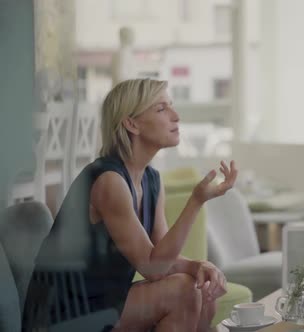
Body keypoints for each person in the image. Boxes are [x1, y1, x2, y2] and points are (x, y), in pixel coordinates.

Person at [24, 78, 237, 331]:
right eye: (161, 109)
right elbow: (154, 267)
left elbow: (163, 256)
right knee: (184, 291)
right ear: (131, 123)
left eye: (171, 106)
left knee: (202, 291)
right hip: (60, 315)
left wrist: (199, 266)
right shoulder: (109, 182)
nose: (175, 116)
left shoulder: (151, 180)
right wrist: (196, 200)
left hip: (100, 304)